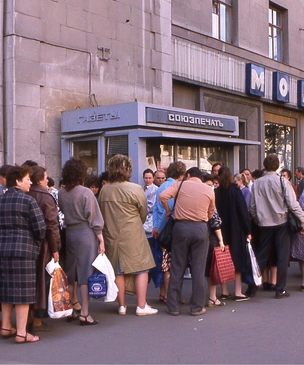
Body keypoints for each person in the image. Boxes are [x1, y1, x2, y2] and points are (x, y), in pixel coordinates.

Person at [98, 154, 158, 316]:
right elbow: (143, 212)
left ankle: (122, 305)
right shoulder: (135, 189)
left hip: (112, 234)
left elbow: (101, 213)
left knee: (118, 271)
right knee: (141, 268)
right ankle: (141, 305)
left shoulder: (105, 190)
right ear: (128, 169)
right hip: (133, 234)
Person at [159, 166, 215, 316]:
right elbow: (211, 212)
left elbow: (163, 196)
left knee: (177, 267)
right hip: (200, 228)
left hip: (181, 228)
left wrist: (168, 210)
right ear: (201, 177)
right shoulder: (208, 190)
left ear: (188, 175)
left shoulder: (180, 184)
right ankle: (197, 307)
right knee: (198, 269)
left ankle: (173, 307)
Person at [0, 165, 46, 343]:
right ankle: (21, 332)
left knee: (5, 289)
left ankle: (5, 326)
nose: (29, 182)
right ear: (18, 181)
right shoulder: (28, 201)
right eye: (27, 179)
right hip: (24, 251)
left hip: (2, 250)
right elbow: (40, 228)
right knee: (22, 293)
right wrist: (36, 243)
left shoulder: (1, 200)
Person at [248, 155, 304, 299]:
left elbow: (252, 207)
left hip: (264, 223)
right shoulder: (282, 181)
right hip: (281, 222)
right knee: (282, 256)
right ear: (277, 166)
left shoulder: (257, 183)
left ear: (264, 166)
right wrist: (302, 220)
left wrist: (257, 219)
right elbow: (293, 204)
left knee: (261, 255)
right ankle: (280, 289)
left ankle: (252, 287)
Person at [58, 158, 105, 325]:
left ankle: (71, 307)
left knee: (72, 272)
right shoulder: (86, 193)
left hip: (70, 232)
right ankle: (85, 313)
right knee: (86, 273)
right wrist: (101, 239)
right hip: (86, 233)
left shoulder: (62, 193)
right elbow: (95, 218)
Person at [27, 166, 61, 333]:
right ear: (40, 180)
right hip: (44, 244)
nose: (48, 180)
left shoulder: (26, 193)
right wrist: (56, 248)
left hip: (27, 243)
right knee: (42, 281)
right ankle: (38, 321)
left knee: (29, 281)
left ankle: (26, 318)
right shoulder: (45, 197)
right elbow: (52, 225)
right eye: (46, 177)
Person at [152, 161, 186, 303]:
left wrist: (155, 227)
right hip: (169, 231)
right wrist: (160, 228)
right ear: (181, 174)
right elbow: (169, 213)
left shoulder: (160, 187)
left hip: (159, 229)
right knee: (170, 266)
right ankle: (171, 296)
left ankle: (163, 293)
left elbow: (155, 209)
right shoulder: (175, 187)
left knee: (163, 263)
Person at [215, 167, 251, 301]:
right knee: (238, 260)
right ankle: (238, 291)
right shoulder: (235, 190)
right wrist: (248, 230)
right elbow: (242, 211)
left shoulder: (216, 192)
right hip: (236, 230)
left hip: (221, 230)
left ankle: (224, 291)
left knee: (223, 260)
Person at [201, 173, 227, 307]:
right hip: (209, 237)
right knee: (212, 268)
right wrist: (221, 241)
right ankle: (212, 297)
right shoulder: (209, 198)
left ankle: (200, 297)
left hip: (195, 235)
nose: (211, 188)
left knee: (198, 268)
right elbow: (215, 221)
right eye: (209, 185)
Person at [142, 168, 158, 236]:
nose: (148, 180)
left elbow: (150, 206)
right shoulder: (142, 188)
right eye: (146, 178)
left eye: (150, 178)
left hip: (150, 218)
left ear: (153, 178)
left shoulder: (155, 190)